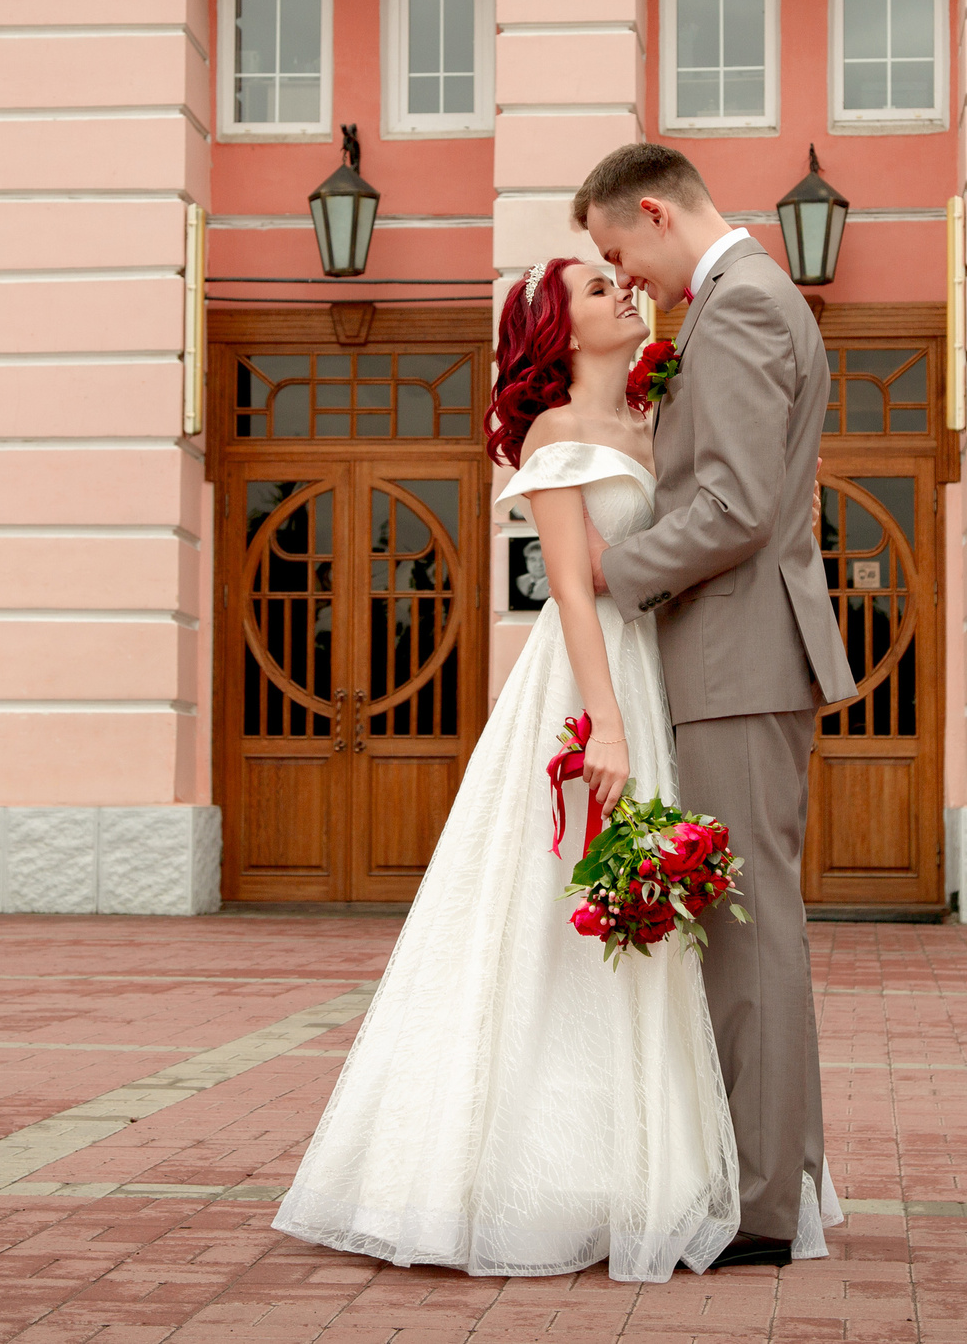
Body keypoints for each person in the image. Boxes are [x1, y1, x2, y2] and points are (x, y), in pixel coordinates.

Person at [270, 258, 746, 1282]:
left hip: (658, 675)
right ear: (556, 333)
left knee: (640, 916)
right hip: (588, 686)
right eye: (592, 290)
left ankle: (642, 1172)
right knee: (548, 913)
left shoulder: (655, 422)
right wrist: (606, 731)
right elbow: (572, 592)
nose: (621, 292)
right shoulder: (557, 437)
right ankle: (512, 1174)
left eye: (622, 279)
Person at [576, 142, 859, 1270]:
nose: (623, 278)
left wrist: (612, 567)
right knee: (750, 930)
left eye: (615, 253)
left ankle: (761, 1209)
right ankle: (778, 1183)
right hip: (735, 653)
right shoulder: (740, 301)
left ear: (653, 212)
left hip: (738, 654)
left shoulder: (738, 306)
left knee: (748, 934)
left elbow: (736, 504)